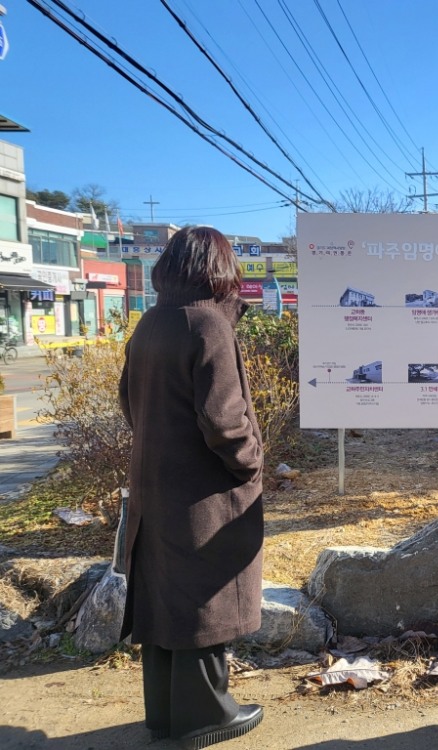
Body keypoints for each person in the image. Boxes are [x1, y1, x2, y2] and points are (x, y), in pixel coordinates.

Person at [118, 226, 265, 749]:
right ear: (218, 267)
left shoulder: (151, 322)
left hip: (154, 484)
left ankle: (164, 714)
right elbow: (223, 419)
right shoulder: (207, 324)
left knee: (164, 598)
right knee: (207, 596)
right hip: (203, 492)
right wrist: (250, 465)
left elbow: (127, 399)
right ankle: (208, 714)